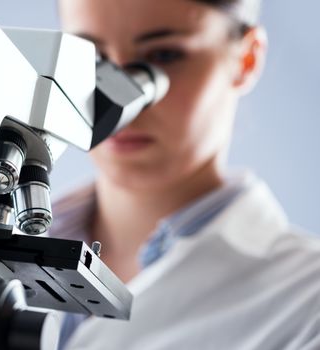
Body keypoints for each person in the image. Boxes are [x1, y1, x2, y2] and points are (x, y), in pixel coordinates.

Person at [49, 0, 320, 349]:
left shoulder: (307, 303)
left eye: (163, 55)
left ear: (246, 58)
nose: (116, 100)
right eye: (92, 57)